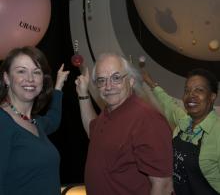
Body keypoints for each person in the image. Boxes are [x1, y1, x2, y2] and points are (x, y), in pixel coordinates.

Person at [75, 53, 174, 195]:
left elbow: (164, 185)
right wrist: (83, 94)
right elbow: (93, 132)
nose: (108, 86)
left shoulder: (147, 119)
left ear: (131, 81)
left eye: (116, 78)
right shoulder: (110, 111)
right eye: (102, 80)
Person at [0, 46, 69, 195]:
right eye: (21, 71)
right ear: (6, 78)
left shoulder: (35, 123)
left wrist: (59, 86)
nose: (30, 79)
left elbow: (54, 119)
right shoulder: (3, 122)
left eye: (36, 72)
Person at [142, 68, 220, 194]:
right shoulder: (184, 122)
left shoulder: (217, 132)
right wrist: (151, 83)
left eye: (199, 90)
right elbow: (168, 104)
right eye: (187, 90)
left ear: (212, 97)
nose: (191, 95)